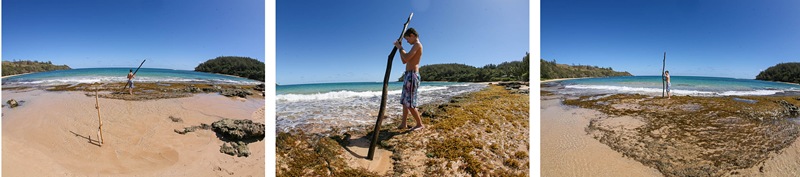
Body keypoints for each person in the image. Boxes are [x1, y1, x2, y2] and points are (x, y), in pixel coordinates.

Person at [393, 28, 424, 131]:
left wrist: (400, 47)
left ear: (412, 35)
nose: (407, 41)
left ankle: (419, 124)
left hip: (412, 75)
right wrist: (399, 49)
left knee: (410, 103)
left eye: (407, 39)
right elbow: (404, 60)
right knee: (404, 102)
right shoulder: (415, 45)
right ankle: (404, 123)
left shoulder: (417, 45)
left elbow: (406, 58)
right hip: (408, 75)